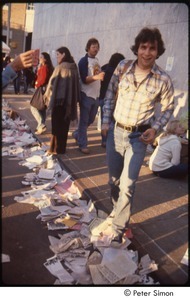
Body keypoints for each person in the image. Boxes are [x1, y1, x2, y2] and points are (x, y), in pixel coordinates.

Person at [101, 27, 175, 245]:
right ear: (137, 48)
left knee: (128, 184)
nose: (147, 52)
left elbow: (169, 107)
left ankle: (118, 227)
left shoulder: (163, 79)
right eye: (143, 47)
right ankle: (117, 212)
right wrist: (105, 122)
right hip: (116, 132)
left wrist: (156, 128)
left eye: (152, 48)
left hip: (139, 138)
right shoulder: (123, 67)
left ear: (158, 51)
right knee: (114, 181)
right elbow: (109, 96)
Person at [44, 46, 80, 155]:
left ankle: (54, 148)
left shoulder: (60, 68)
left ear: (64, 54)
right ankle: (61, 149)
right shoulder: (74, 68)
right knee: (65, 126)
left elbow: (51, 84)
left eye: (58, 55)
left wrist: (47, 97)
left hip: (58, 102)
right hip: (69, 103)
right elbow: (76, 85)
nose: (57, 58)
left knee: (56, 126)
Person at [72, 37, 105, 154]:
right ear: (88, 48)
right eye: (93, 47)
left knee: (91, 120)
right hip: (86, 94)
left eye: (97, 47)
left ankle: (77, 134)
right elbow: (85, 79)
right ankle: (83, 144)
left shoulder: (96, 60)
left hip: (96, 95)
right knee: (84, 121)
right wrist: (97, 77)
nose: (95, 49)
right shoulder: (83, 61)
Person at [99, 53, 125, 147]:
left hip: (102, 97)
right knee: (113, 120)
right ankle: (110, 140)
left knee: (104, 119)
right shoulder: (119, 72)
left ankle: (104, 140)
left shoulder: (104, 68)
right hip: (115, 99)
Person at [30, 52, 54, 135]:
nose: (39, 58)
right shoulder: (48, 67)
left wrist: (37, 83)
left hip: (41, 89)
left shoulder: (44, 68)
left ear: (45, 59)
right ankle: (40, 126)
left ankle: (41, 125)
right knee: (42, 108)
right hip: (45, 90)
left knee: (33, 107)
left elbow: (42, 80)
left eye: (41, 57)